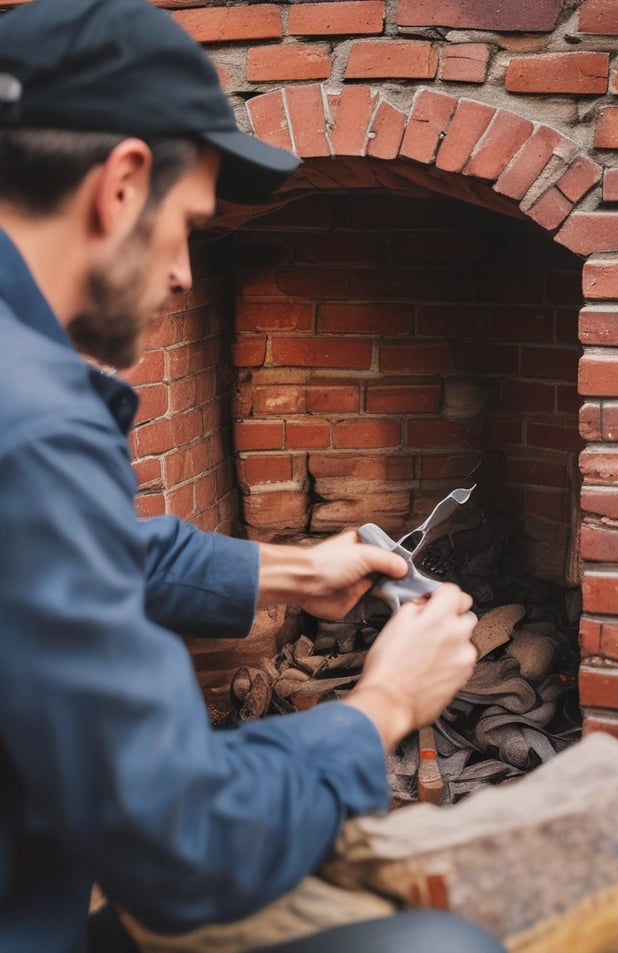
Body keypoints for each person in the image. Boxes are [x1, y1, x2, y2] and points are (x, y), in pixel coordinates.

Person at [0, 1, 506, 952]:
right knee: (441, 948)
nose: (187, 273)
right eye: (188, 225)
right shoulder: (32, 417)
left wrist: (292, 571)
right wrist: (385, 705)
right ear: (119, 186)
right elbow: (183, 844)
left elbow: (42, 559)